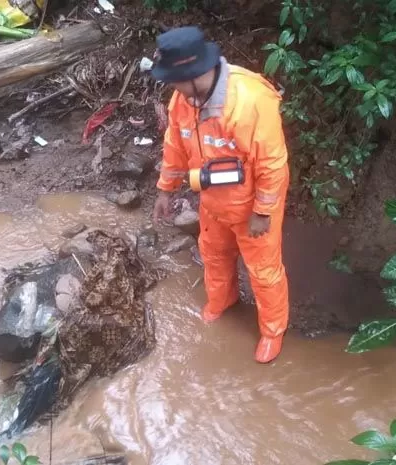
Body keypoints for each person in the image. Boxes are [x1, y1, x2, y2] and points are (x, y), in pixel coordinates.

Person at [151, 26, 290, 364]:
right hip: (212, 200)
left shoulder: (251, 101)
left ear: (194, 73)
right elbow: (174, 146)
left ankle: (273, 330)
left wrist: (262, 212)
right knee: (213, 255)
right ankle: (222, 300)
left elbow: (273, 164)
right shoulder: (182, 101)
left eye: (174, 80)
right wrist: (165, 190)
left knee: (264, 272)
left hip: (251, 206)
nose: (171, 87)